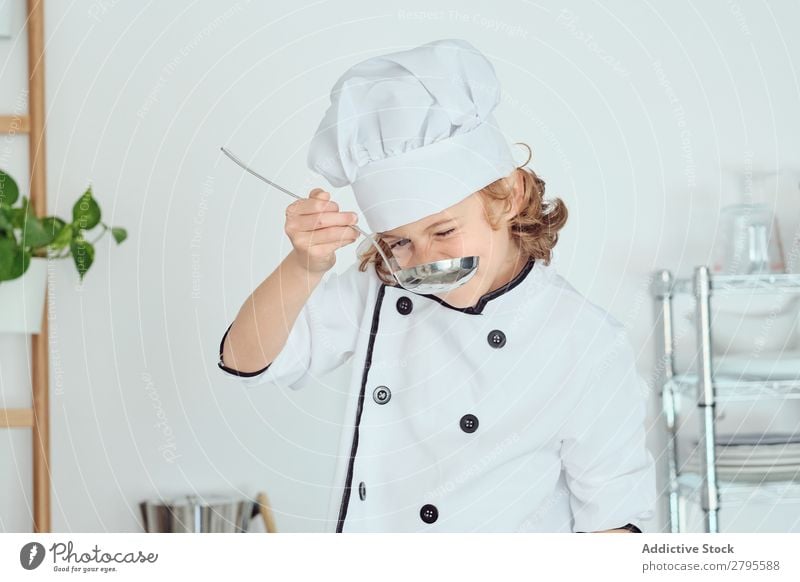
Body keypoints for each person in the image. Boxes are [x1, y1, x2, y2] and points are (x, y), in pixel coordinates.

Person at [218, 38, 656, 533]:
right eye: (398, 242)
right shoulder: (379, 291)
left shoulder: (586, 340)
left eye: (444, 231)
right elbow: (245, 357)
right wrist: (304, 265)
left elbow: (614, 521)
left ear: (509, 196)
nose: (424, 261)